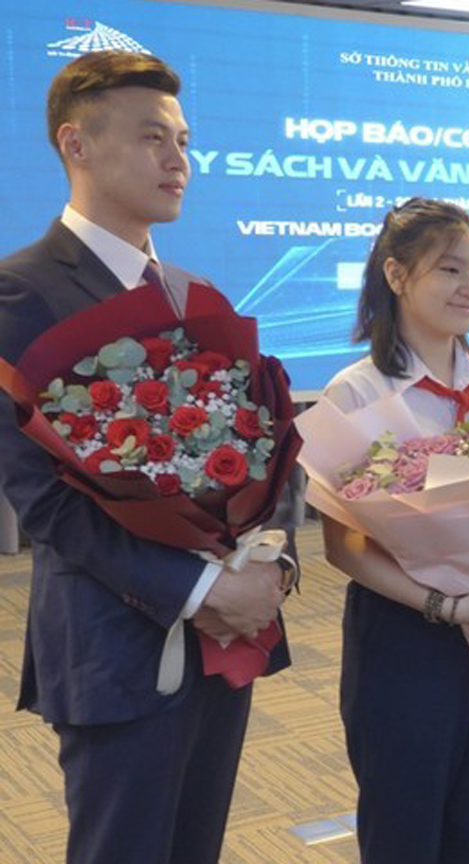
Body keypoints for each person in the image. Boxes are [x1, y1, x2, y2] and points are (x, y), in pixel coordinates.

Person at [0, 51, 292, 864]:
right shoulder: (20, 294)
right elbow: (48, 505)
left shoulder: (195, 296)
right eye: (151, 138)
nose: (178, 160)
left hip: (222, 637)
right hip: (115, 648)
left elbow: (254, 457)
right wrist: (202, 590)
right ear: (77, 145)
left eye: (185, 140)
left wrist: (269, 567)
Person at [318, 198, 469, 863]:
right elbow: (341, 545)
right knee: (405, 827)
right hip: (406, 634)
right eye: (451, 270)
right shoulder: (356, 393)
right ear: (396, 276)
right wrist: (444, 604)